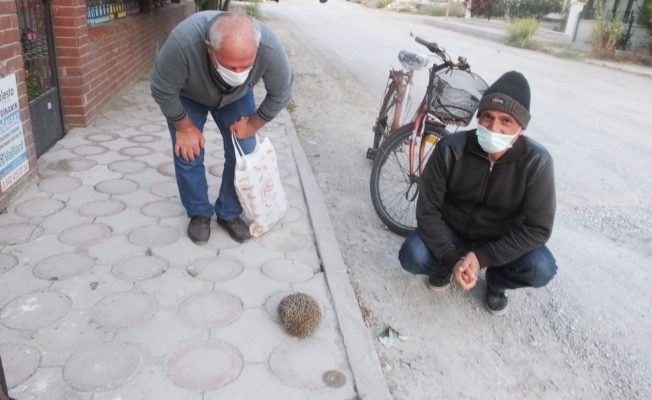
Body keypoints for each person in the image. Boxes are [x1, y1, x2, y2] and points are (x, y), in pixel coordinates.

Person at [398, 71, 557, 316]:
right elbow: (428, 210)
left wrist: (484, 257)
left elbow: (539, 228)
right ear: (479, 118)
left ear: (521, 128)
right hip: (453, 230)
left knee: (542, 268)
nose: (494, 128)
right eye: (487, 117)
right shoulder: (451, 149)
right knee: (412, 256)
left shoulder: (537, 163)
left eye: (506, 121)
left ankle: (497, 282)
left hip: (500, 238)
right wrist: (452, 260)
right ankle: (445, 268)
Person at [151, 12, 293, 245]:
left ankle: (228, 212)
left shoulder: (269, 47)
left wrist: (253, 124)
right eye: (231, 66)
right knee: (188, 152)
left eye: (245, 66)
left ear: (256, 50)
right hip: (188, 95)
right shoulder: (183, 42)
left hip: (237, 98)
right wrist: (184, 127)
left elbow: (282, 92)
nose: (237, 73)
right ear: (209, 48)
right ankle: (198, 212)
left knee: (245, 149)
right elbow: (161, 89)